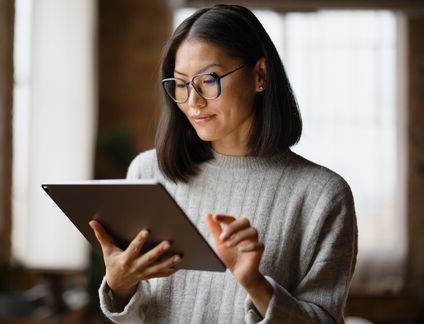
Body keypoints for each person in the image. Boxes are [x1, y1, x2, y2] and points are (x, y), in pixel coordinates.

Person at [88, 4, 357, 323]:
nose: (193, 101)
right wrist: (119, 286)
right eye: (181, 84)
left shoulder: (323, 195)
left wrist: (254, 284)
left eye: (209, 79)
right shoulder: (148, 173)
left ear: (260, 75)